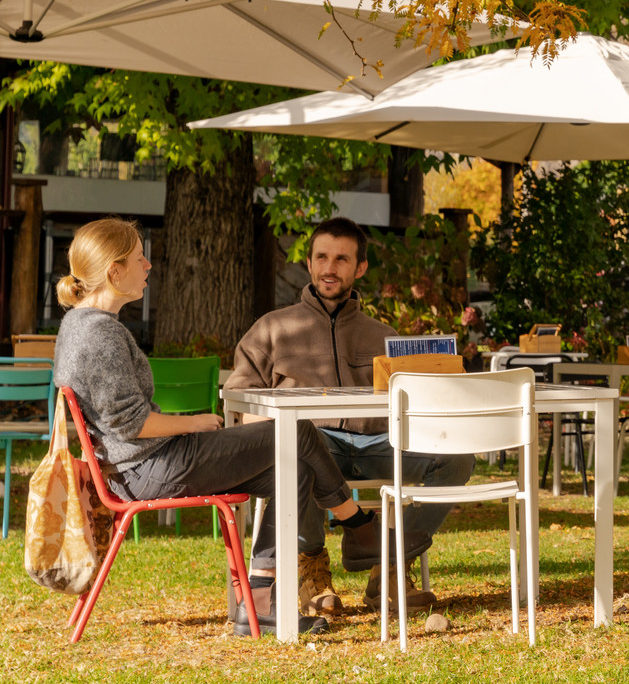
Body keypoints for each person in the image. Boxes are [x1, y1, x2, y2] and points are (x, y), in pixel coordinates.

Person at [50, 218, 378, 638]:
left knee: (291, 468)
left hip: (138, 466)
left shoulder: (79, 325)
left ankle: (260, 600)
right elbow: (129, 423)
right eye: (138, 258)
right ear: (114, 272)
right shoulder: (100, 334)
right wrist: (192, 424)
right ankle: (355, 523)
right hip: (147, 468)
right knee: (297, 432)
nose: (148, 265)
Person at [228, 216, 476, 616]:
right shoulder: (271, 329)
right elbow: (240, 400)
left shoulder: (384, 335)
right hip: (312, 447)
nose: (330, 268)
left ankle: (388, 562)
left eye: (342, 259)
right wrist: (267, 436)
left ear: (359, 268)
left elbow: (413, 403)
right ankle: (310, 563)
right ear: (308, 264)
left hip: (375, 445)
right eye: (322, 257)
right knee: (297, 446)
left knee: (457, 457)